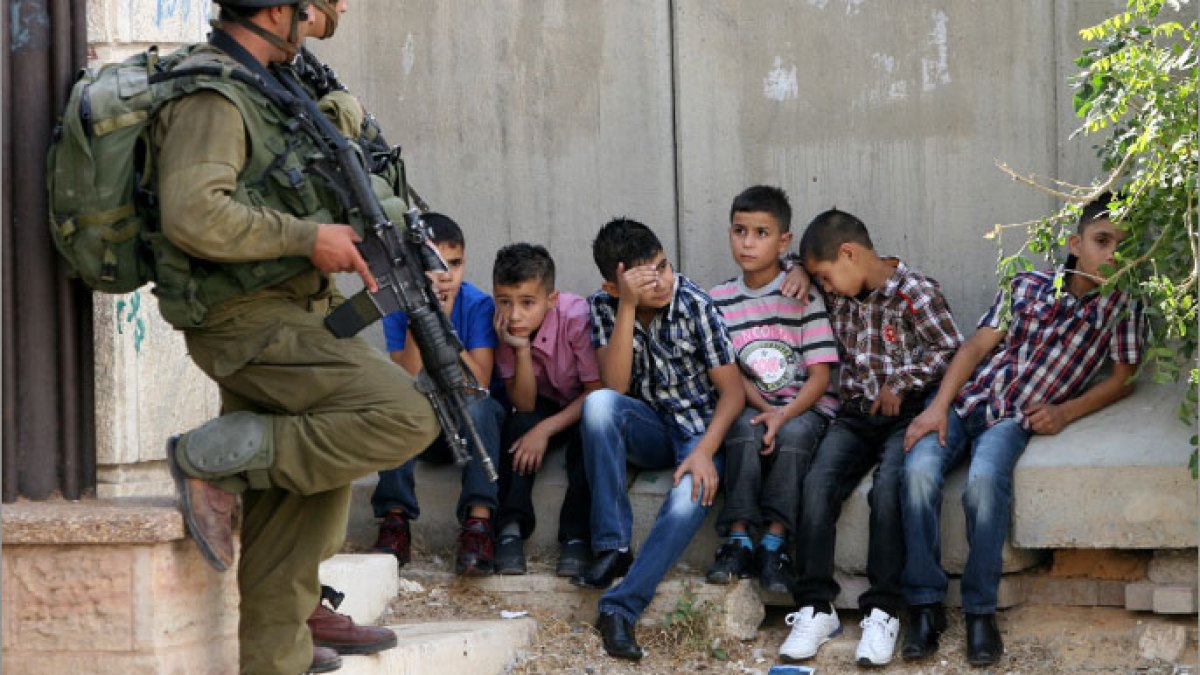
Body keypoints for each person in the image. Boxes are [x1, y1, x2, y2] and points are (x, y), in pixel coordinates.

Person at [153, 1, 439, 672]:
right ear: (279, 8)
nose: (329, 9)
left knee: (300, 500)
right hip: (243, 321)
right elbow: (192, 213)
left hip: (295, 309)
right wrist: (308, 238)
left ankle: (278, 655)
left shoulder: (274, 78)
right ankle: (212, 455)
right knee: (406, 414)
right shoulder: (214, 94)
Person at [899, 193, 1145, 666]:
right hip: (966, 401)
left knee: (985, 485)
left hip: (1014, 418)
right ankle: (925, 607)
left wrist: (1065, 412)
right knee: (917, 475)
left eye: (1124, 245)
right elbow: (975, 347)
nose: (1113, 254)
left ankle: (980, 612)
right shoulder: (1027, 284)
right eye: (1102, 241)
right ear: (1076, 244)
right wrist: (938, 408)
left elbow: (1123, 379)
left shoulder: (1122, 306)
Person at [779, 209, 963, 667]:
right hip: (855, 415)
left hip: (907, 414)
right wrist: (800, 268)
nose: (825, 287)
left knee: (887, 491)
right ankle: (815, 606)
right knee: (817, 484)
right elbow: (794, 259)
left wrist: (901, 381)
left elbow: (950, 349)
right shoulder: (838, 289)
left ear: (850, 254)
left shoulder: (915, 292)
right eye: (819, 279)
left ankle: (883, 609)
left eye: (826, 276)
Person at [572, 218, 744, 661]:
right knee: (598, 405)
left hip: (699, 431)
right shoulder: (604, 307)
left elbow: (733, 394)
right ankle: (612, 545)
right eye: (646, 279)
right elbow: (615, 386)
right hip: (648, 426)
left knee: (688, 499)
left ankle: (621, 606)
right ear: (613, 287)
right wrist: (627, 307)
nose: (663, 282)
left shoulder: (695, 305)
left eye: (664, 267)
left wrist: (705, 452)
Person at [704, 186, 838, 594]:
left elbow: (820, 376)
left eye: (761, 233)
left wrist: (783, 415)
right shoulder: (719, 301)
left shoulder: (802, 295)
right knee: (743, 428)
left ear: (783, 242)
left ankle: (775, 544)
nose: (747, 243)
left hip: (804, 407)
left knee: (794, 436)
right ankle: (739, 539)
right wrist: (766, 409)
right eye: (739, 231)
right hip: (753, 402)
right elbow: (731, 375)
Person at [370, 213, 506, 577]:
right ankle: (395, 520)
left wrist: (443, 327)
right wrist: (421, 320)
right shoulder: (398, 305)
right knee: (394, 406)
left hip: (469, 424)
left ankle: (478, 525)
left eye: (455, 264)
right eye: (436, 266)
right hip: (425, 426)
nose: (447, 276)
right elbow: (406, 377)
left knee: (480, 406)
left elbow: (478, 382)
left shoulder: (476, 304)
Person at [490, 243, 603, 576]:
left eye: (527, 303)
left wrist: (545, 430)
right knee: (517, 427)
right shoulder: (504, 327)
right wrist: (520, 350)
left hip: (585, 403)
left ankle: (576, 537)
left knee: (588, 439)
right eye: (504, 301)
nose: (514, 315)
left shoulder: (576, 317)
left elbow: (596, 392)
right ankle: (510, 529)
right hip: (544, 402)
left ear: (551, 300)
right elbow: (524, 404)